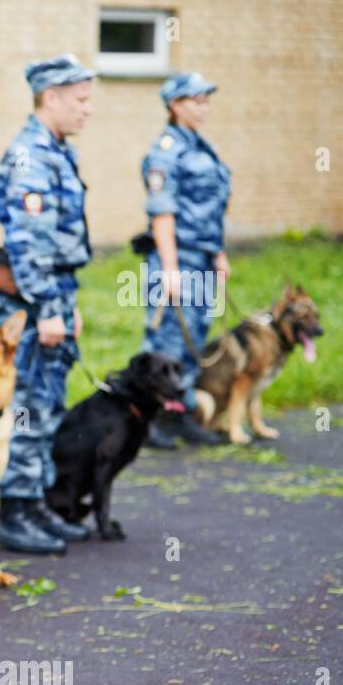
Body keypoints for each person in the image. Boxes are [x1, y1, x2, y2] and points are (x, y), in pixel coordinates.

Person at [0, 55, 96, 556]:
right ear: (49, 97)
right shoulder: (30, 155)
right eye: (80, 99)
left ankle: (34, 502)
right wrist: (48, 307)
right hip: (30, 306)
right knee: (26, 403)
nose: (87, 110)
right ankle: (13, 510)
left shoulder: (54, 151)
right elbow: (27, 241)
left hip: (51, 295)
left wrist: (64, 303)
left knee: (46, 401)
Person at [139, 72, 231, 448]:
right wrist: (170, 270)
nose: (203, 107)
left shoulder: (201, 147)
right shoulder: (165, 150)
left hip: (203, 256)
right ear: (175, 105)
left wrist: (219, 254)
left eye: (206, 100)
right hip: (177, 258)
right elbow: (162, 212)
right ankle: (149, 418)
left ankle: (180, 414)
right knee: (167, 343)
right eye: (196, 100)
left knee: (195, 337)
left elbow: (211, 209)